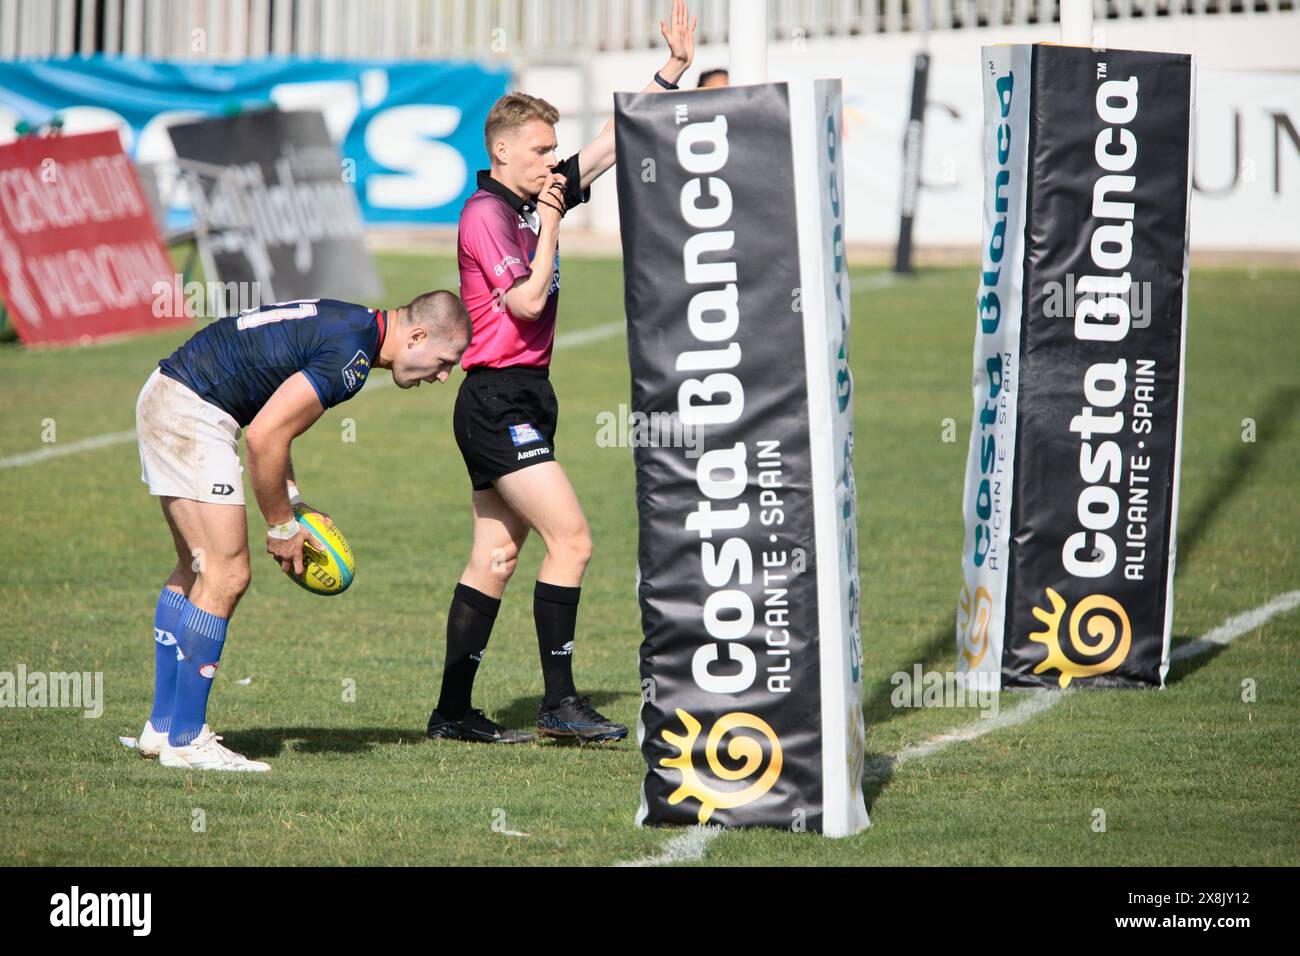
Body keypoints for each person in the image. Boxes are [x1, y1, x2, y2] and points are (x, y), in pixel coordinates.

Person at [428, 0, 698, 744]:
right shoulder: (491, 213)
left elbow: (610, 147)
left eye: (554, 150)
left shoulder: (527, 196)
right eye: (542, 149)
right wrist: (551, 219)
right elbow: (521, 302)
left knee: (498, 552)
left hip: (525, 396)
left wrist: (670, 70)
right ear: (505, 152)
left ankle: (452, 712)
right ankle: (559, 703)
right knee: (572, 540)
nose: (554, 160)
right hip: (494, 400)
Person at [135, 292, 471, 771]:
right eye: (443, 362)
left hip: (172, 392)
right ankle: (187, 741)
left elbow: (270, 411)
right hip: (192, 412)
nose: (442, 376)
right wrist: (281, 527)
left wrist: (290, 500)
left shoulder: (354, 321)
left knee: (196, 567)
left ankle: (163, 727)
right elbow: (264, 436)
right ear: (417, 336)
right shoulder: (351, 358)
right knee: (226, 576)